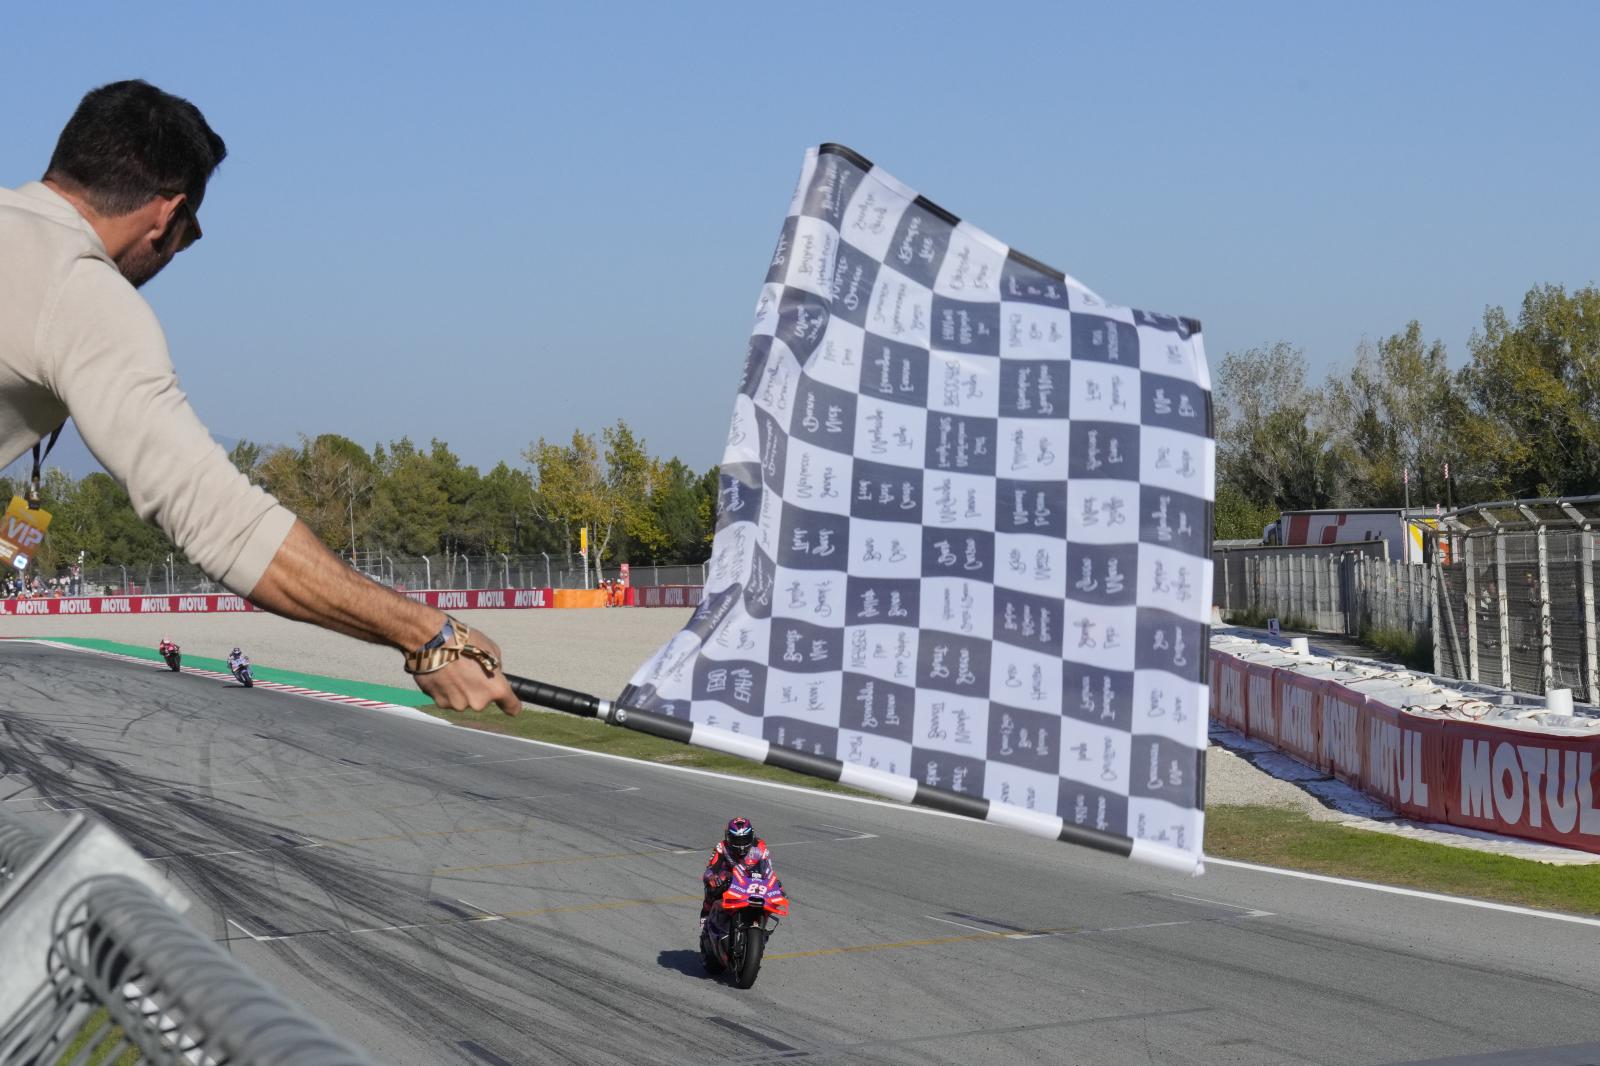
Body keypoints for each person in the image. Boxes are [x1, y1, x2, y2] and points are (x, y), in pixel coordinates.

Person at [0, 81, 518, 715]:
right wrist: (430, 636)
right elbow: (223, 523)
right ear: (166, 214)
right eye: (190, 235)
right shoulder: (83, 291)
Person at [700, 817, 774, 931]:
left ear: (752, 835)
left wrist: (775, 883)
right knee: (712, 887)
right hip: (729, 879)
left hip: (752, 881)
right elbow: (710, 870)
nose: (741, 845)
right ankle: (706, 913)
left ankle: (761, 925)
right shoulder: (721, 847)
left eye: (745, 839)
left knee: (773, 892)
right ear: (728, 837)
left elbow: (768, 870)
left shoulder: (760, 847)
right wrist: (712, 877)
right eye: (737, 840)